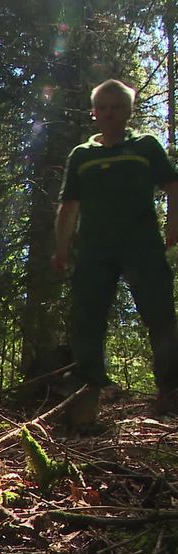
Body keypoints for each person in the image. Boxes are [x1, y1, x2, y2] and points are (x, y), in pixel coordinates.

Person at [52, 79, 178, 418]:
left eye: (117, 107)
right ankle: (86, 399)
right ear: (94, 113)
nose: (110, 114)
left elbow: (173, 185)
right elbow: (68, 205)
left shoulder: (145, 146)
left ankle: (171, 392)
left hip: (143, 246)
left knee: (160, 316)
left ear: (129, 111)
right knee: (87, 321)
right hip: (94, 252)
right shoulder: (82, 155)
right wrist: (61, 248)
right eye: (103, 107)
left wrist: (174, 225)